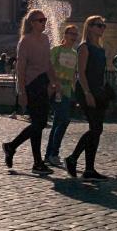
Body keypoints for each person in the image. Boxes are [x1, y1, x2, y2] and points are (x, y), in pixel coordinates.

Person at [2, 9, 58, 173]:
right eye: (41, 20)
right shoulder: (25, 41)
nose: (44, 23)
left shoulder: (46, 39)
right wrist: (22, 91)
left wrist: (54, 81)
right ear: (32, 23)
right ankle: (12, 146)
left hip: (43, 82)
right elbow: (20, 69)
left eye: (45, 20)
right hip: (32, 84)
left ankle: (37, 162)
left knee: (38, 124)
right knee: (39, 123)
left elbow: (48, 62)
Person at [66, 15, 111, 181]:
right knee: (95, 128)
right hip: (86, 90)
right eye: (99, 25)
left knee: (97, 130)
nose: (102, 28)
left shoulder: (100, 47)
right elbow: (81, 73)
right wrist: (87, 93)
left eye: (103, 26)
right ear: (89, 27)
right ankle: (72, 159)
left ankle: (89, 169)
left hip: (98, 91)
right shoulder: (84, 47)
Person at [45, 24, 79, 168]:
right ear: (64, 35)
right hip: (56, 89)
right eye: (71, 34)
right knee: (64, 120)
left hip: (67, 90)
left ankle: (49, 155)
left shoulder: (74, 53)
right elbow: (49, 67)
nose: (73, 37)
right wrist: (53, 85)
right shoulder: (56, 50)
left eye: (75, 35)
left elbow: (73, 75)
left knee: (58, 122)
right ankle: (54, 153)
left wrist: (74, 93)